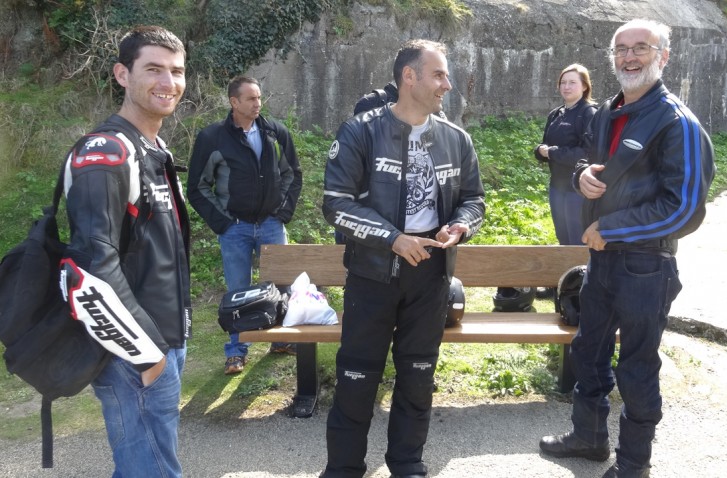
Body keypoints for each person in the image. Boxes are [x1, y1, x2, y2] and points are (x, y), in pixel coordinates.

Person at [538, 19, 715, 478]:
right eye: (622, 49)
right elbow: (593, 166)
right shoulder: (609, 113)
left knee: (636, 367)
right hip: (602, 262)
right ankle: (589, 438)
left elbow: (685, 210)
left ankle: (634, 463)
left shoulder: (678, 122)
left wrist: (612, 228)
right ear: (612, 57)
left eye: (641, 48)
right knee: (589, 351)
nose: (630, 57)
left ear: (664, 57)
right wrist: (582, 176)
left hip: (646, 268)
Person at [321, 39, 485, 478]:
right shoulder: (360, 131)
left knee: (417, 377)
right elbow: (336, 204)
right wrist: (392, 238)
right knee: (357, 376)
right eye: (438, 74)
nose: (447, 84)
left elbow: (474, 200)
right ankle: (343, 468)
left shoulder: (456, 139)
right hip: (372, 273)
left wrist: (461, 226)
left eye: (446, 75)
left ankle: (408, 464)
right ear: (408, 77)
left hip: (431, 276)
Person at [59, 26, 191, 477]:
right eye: (153, 69)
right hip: (133, 353)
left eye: (176, 71)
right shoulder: (107, 153)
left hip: (164, 339)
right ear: (121, 74)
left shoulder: (153, 148)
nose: (167, 82)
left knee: (146, 467)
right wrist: (148, 354)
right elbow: (92, 267)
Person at [188, 76, 303, 375]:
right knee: (238, 290)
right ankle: (237, 352)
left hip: (271, 225)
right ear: (234, 102)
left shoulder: (275, 132)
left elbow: (293, 174)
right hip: (235, 228)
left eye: (260, 98)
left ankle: (281, 341)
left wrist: (282, 213)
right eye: (251, 99)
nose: (258, 104)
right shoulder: (213, 138)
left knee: (282, 286)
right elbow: (198, 187)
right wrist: (223, 223)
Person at [534, 63, 597, 246]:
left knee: (578, 240)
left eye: (572, 83)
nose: (566, 87)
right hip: (557, 187)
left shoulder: (589, 113)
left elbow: (587, 154)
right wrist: (539, 151)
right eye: (563, 83)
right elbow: (544, 144)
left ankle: (582, 274)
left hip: (577, 189)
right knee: (562, 237)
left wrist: (552, 152)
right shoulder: (556, 114)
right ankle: (567, 274)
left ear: (584, 86)